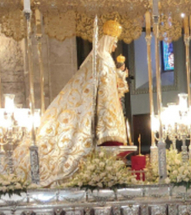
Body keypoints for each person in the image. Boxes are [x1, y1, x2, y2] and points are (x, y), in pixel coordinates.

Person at [13, 20, 130, 186]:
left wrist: (119, 78)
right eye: (114, 42)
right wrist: (108, 125)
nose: (114, 46)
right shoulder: (103, 59)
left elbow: (107, 87)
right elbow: (104, 92)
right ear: (108, 40)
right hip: (98, 114)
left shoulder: (101, 59)